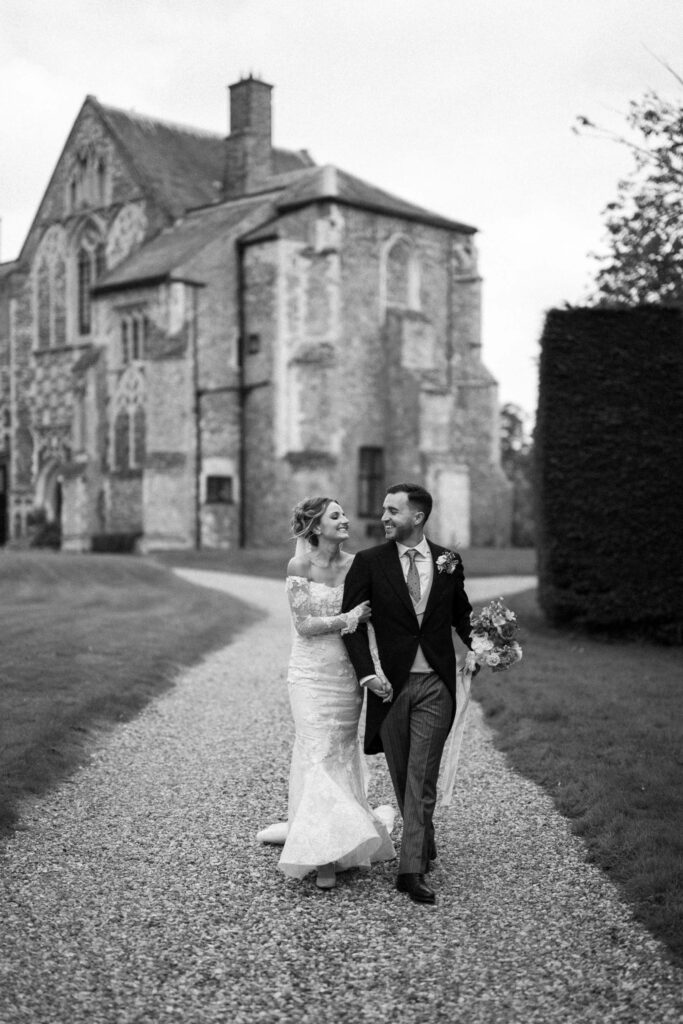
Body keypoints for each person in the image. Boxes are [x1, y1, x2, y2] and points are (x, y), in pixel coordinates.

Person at [341, 483, 474, 904]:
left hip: (437, 682)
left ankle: (409, 869)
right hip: (390, 688)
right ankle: (424, 839)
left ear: (416, 517)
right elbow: (353, 625)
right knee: (403, 778)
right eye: (383, 509)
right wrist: (367, 675)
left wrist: (484, 646)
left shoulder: (448, 562)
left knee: (420, 777)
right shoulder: (368, 563)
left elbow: (461, 616)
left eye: (392, 511)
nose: (383, 517)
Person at [265, 495, 395, 890]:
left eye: (343, 514)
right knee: (317, 753)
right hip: (309, 675)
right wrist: (349, 617)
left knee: (339, 753)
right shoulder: (299, 565)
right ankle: (322, 856)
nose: (345, 520)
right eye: (335, 516)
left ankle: (343, 839)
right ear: (316, 527)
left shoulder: (359, 565)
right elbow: (304, 623)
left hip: (344, 676)